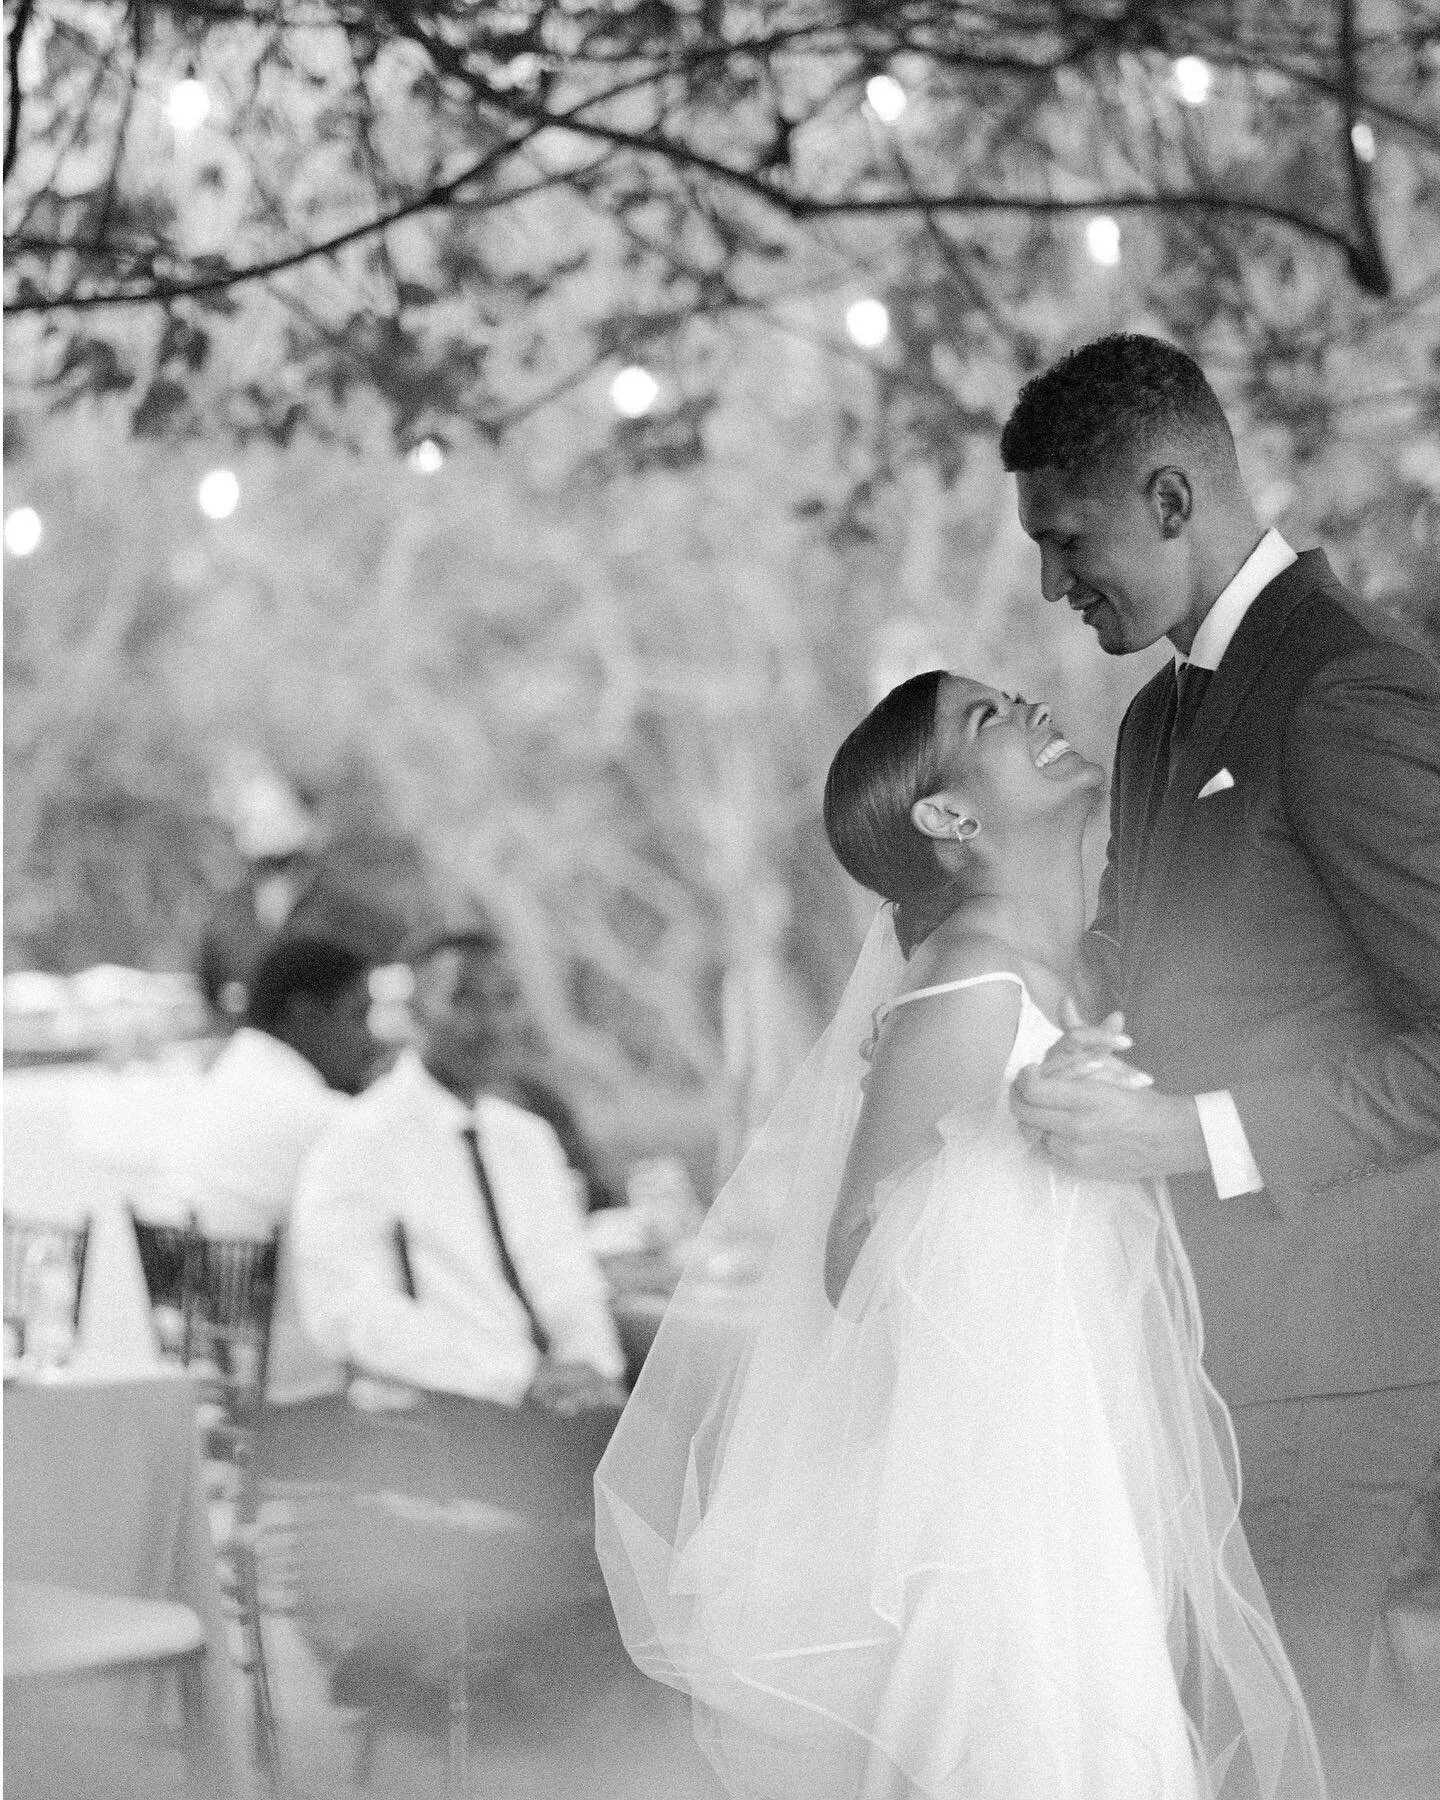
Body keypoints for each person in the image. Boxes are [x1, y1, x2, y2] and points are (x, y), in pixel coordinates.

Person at [596, 671, 1326, 1800]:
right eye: (988, 718)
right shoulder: (969, 979)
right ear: (947, 815)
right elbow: (850, 1256)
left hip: (1080, 1455)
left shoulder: (1077, 970)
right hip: (999, 1493)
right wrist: (1010, 1138)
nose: (1030, 708)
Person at [1000, 333, 1440, 1796]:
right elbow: (1129, 970)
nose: (1054, 585)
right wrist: (1041, 1044)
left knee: (1289, 1757)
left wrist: (1196, 1135)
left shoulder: (1347, 688)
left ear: (1172, 499)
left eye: (1069, 542)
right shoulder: (1154, 719)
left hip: (1330, 1366)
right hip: (1188, 1347)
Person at [287, 925, 627, 1520]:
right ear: (414, 1012)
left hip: (560, 1410)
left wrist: (593, 1370)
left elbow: (571, 1281)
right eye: (466, 1000)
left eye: (506, 1000)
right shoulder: (359, 1141)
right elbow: (346, 1313)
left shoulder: (527, 1137)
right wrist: (519, 1377)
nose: (491, 1023)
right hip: (443, 1413)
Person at [158, 934, 374, 1399]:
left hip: (206, 1369)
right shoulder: (317, 1115)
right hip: (297, 1386)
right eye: (357, 1016)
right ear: (305, 1015)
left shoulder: (226, 1081)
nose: (370, 1040)